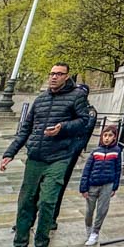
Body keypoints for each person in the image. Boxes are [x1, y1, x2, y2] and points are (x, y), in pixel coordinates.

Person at [0, 63, 91, 247]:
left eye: (58, 74)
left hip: (59, 158)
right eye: (51, 74)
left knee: (47, 201)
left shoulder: (76, 97)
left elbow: (85, 122)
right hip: (35, 158)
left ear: (67, 77)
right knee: (25, 204)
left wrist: (62, 128)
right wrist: (9, 153)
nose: (54, 77)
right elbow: (25, 129)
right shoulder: (40, 100)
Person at [52, 82, 97, 224]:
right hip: (54, 149)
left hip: (69, 152)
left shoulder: (89, 111)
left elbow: (85, 131)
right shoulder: (66, 107)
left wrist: (76, 149)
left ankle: (52, 217)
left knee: (59, 184)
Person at [79, 124, 122, 246]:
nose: (107, 138)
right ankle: (88, 228)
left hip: (107, 185)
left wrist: (115, 186)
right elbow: (87, 170)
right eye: (105, 135)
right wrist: (83, 187)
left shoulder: (117, 151)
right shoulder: (95, 151)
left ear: (114, 137)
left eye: (110, 135)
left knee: (102, 210)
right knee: (89, 210)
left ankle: (95, 232)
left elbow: (118, 170)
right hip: (93, 184)